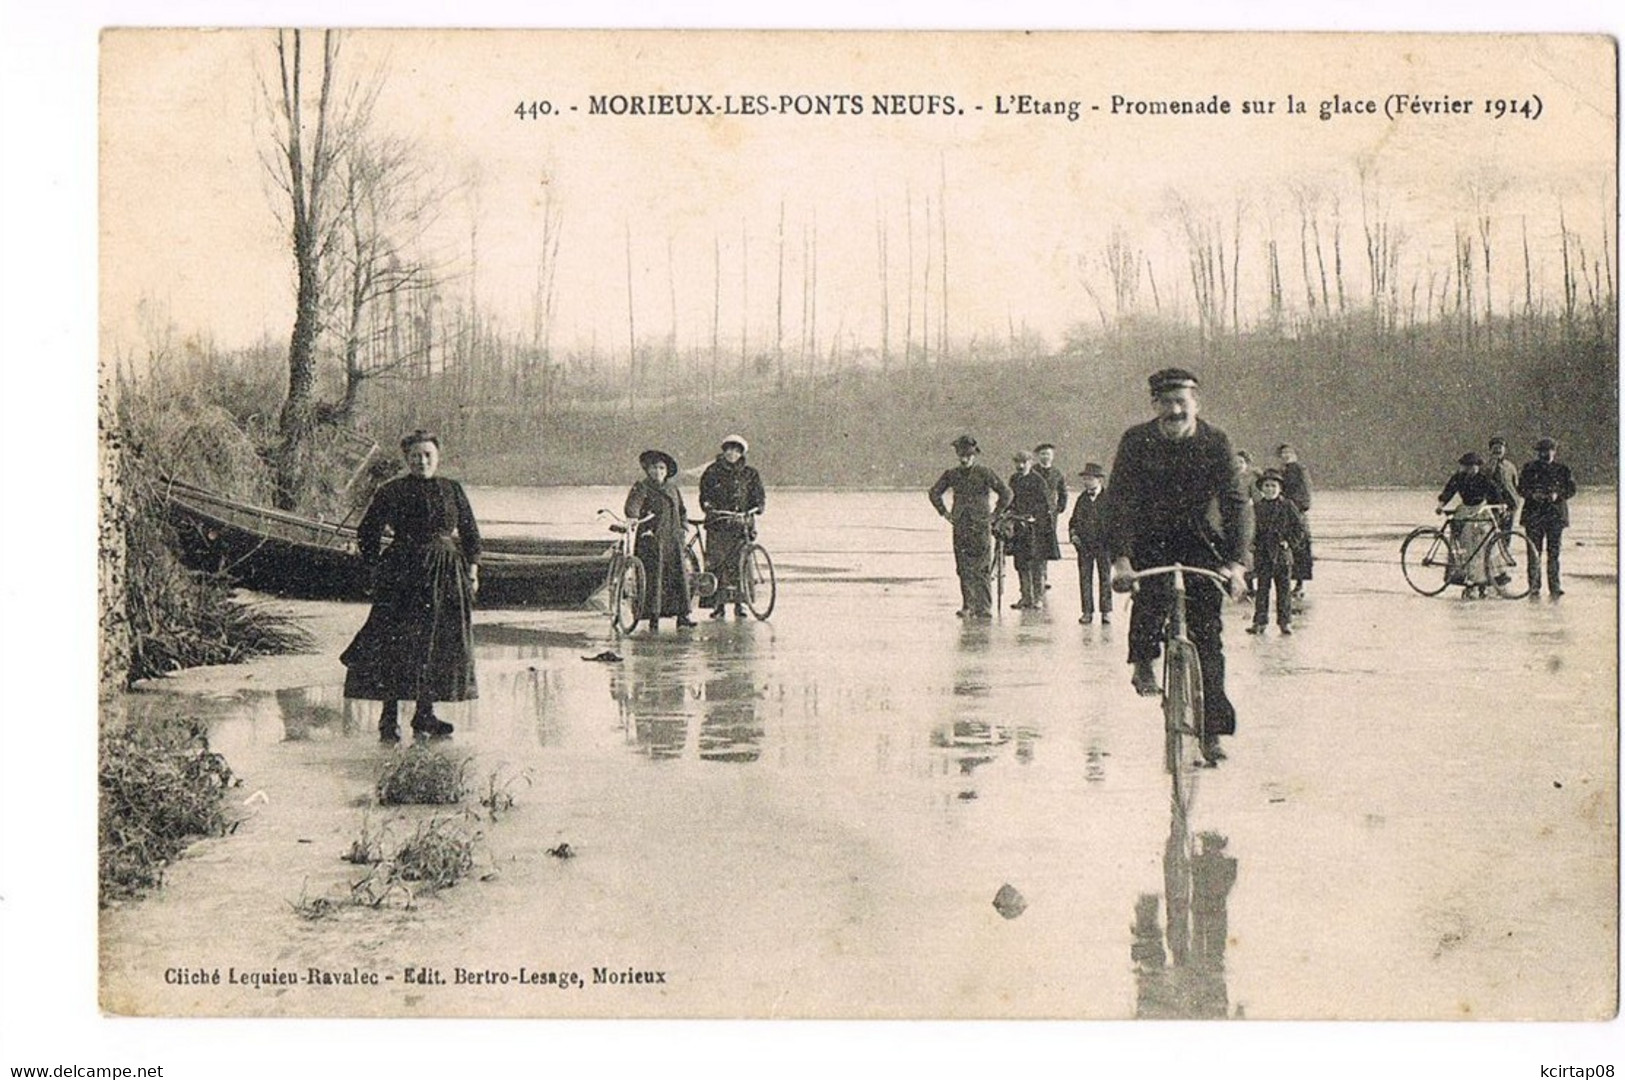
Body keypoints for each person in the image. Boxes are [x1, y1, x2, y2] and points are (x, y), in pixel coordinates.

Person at [1106, 368, 1250, 764]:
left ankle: (1213, 732)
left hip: (1201, 543)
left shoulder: (1215, 441)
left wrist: (1237, 563)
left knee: (1209, 642)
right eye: (1166, 403)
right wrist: (1120, 559)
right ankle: (1142, 661)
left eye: (1181, 403)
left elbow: (1235, 503)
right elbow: (1117, 501)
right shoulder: (1136, 441)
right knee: (1148, 604)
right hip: (1149, 542)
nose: (1174, 411)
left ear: (1195, 405)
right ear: (1154, 406)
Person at [341, 430, 479, 742]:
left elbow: (470, 532)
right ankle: (389, 718)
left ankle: (424, 714)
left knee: (435, 643)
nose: (422, 461)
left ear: (437, 457)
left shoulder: (452, 489)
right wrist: (376, 567)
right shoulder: (392, 491)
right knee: (395, 643)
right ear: (407, 459)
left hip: (445, 576)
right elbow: (368, 531)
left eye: (428, 455)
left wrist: (472, 569)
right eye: (416, 456)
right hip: (403, 576)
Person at [928, 435, 1012, 619]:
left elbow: (1006, 493)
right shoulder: (951, 474)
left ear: (974, 455)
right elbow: (934, 492)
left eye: (968, 455)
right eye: (961, 455)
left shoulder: (985, 472)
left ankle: (984, 607)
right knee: (963, 567)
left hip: (981, 525)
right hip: (960, 525)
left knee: (982, 567)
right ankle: (968, 605)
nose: (964, 459)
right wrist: (944, 512)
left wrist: (994, 515)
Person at [625, 449, 696, 630]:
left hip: (673, 539)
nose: (658, 472)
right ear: (648, 470)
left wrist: (683, 525)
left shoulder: (673, 488)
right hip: (651, 539)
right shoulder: (642, 487)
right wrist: (633, 516)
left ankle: (682, 616)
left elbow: (681, 509)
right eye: (654, 468)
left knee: (677, 576)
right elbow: (633, 505)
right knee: (653, 578)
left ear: (666, 471)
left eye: (661, 468)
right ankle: (653, 617)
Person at [698, 434, 767, 618]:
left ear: (741, 453)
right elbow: (704, 495)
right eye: (729, 449)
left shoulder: (750, 473)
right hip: (719, 524)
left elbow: (758, 494)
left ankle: (740, 604)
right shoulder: (712, 471)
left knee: (741, 564)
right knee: (718, 564)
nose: (732, 454)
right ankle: (718, 605)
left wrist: (758, 507)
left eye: (736, 450)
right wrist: (708, 507)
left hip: (741, 524)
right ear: (724, 451)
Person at [1436, 451, 1505, 599]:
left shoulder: (1484, 478)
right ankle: (1469, 581)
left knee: (1485, 548)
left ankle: (1484, 582)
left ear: (1478, 467)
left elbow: (1494, 492)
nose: (1471, 469)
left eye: (1474, 466)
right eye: (1468, 467)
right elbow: (1449, 491)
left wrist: (1500, 505)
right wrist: (1441, 505)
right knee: (1466, 548)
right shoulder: (1458, 478)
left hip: (1481, 511)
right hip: (1465, 511)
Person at [1246, 469, 1306, 636]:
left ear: (1279, 488)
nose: (1270, 489)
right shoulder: (1257, 508)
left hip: (1281, 554)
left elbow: (1299, 528)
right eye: (1267, 486)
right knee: (1262, 590)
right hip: (1263, 554)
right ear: (1261, 488)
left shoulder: (1288, 505)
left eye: (1273, 486)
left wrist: (1290, 542)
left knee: (1284, 591)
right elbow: (1250, 530)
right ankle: (1259, 622)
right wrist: (1251, 544)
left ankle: (1285, 623)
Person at [1518, 437, 1576, 598]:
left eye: (1548, 451)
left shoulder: (1563, 469)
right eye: (1542, 451)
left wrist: (1558, 495)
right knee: (1533, 553)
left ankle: (1555, 587)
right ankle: (1534, 587)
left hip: (1555, 517)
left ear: (1554, 452)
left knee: (1554, 553)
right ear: (1538, 453)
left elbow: (1572, 489)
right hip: (1534, 516)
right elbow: (1521, 488)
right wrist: (1532, 494)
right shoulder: (1529, 468)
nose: (1545, 454)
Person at [1007, 450, 1054, 609]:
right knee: (1020, 563)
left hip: (1036, 528)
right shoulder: (1014, 479)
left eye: (1024, 462)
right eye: (1017, 463)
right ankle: (1025, 597)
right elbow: (1010, 500)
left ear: (1030, 462)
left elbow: (1045, 505)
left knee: (1036, 564)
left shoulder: (1038, 481)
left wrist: (1035, 517)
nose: (1020, 466)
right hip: (1019, 527)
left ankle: (1038, 598)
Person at [1068, 462, 1112, 625]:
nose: (1087, 482)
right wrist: (1073, 535)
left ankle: (1106, 612)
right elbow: (1073, 521)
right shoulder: (1081, 499)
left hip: (1104, 546)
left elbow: (1116, 522)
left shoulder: (1109, 498)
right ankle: (1087, 612)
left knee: (1105, 578)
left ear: (1099, 480)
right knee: (1085, 579)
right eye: (1085, 479)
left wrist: (1112, 541)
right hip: (1084, 546)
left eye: (1090, 478)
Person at [1275, 444, 1313, 597]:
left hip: (1296, 514)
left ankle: (1299, 585)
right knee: (1285, 549)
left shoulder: (1300, 470)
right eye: (1283, 453)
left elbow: (1305, 493)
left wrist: (1294, 508)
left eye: (1289, 452)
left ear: (1295, 454)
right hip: (1282, 514)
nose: (1286, 455)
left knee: (1299, 548)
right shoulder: (1281, 471)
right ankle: (1286, 584)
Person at [1032, 443, 1069, 594]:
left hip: (1050, 515)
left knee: (1047, 545)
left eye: (1047, 454)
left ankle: (1044, 577)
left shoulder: (1057, 473)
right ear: (1038, 456)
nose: (1045, 457)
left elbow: (1063, 492)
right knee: (1034, 544)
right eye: (1042, 454)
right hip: (1034, 513)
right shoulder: (1033, 471)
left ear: (1052, 456)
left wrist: (1060, 508)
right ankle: (1036, 577)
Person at [1486, 435, 1522, 535]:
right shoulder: (1485, 466)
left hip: (1509, 504)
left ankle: (1505, 549)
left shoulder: (1510, 466)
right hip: (1493, 504)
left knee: (1507, 532)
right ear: (1490, 450)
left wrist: (1515, 501)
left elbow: (1516, 485)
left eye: (1500, 448)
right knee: (1493, 532)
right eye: (1495, 448)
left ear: (1504, 450)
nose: (1498, 451)